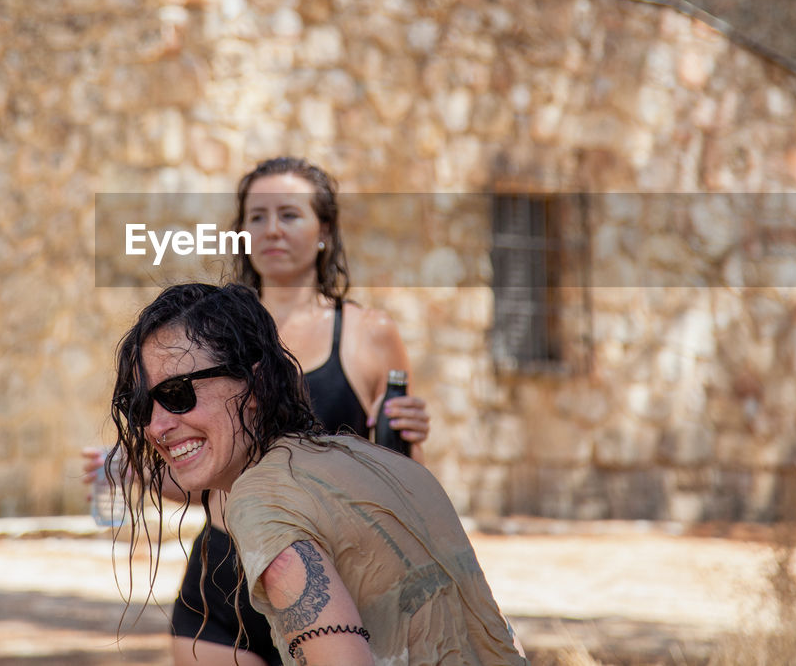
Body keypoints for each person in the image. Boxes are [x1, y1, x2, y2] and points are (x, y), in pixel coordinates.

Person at [109, 282, 528, 666]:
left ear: (252, 386)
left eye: (178, 394)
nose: (156, 426)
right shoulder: (364, 458)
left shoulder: (262, 500)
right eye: (141, 406)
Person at [168, 156, 431, 666]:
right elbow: (192, 474)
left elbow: (402, 479)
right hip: (222, 577)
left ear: (324, 230)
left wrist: (411, 435)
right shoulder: (206, 337)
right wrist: (133, 471)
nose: (271, 230)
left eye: (289, 215)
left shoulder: (369, 333)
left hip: (333, 582)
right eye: (257, 216)